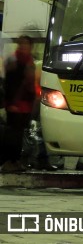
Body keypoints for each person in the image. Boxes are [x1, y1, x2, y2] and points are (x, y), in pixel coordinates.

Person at [1, 35, 37, 172]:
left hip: (25, 105)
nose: (23, 46)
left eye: (26, 44)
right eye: (21, 43)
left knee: (19, 134)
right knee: (12, 135)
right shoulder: (13, 60)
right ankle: (8, 161)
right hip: (15, 104)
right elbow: (10, 83)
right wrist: (11, 102)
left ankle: (15, 161)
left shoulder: (29, 61)